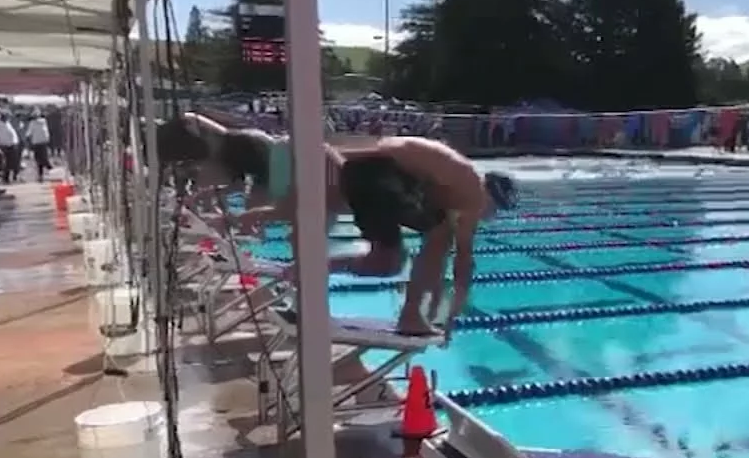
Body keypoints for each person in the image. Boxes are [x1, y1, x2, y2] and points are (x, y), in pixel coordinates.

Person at [159, 113, 518, 338]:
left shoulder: (458, 186)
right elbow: (460, 264)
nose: (487, 218)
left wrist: (444, 311)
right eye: (493, 212)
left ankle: (313, 268)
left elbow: (450, 265)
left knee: (390, 261)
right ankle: (409, 316)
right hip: (380, 171)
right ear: (491, 197)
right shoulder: (470, 190)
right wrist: (447, 315)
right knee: (437, 236)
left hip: (369, 169)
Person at [0, 112, 21, 183]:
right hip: (7, 146)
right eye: (7, 117)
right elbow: (3, 136)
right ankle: (6, 178)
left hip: (12, 144)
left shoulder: (7, 123)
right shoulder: (1, 125)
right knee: (9, 163)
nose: (8, 118)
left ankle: (12, 177)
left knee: (13, 162)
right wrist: (9, 144)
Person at [26, 110, 52, 182]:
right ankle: (47, 166)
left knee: (38, 159)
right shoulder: (44, 122)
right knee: (43, 156)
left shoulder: (32, 123)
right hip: (44, 141)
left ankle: (43, 172)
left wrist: (27, 138)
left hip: (36, 142)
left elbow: (28, 133)